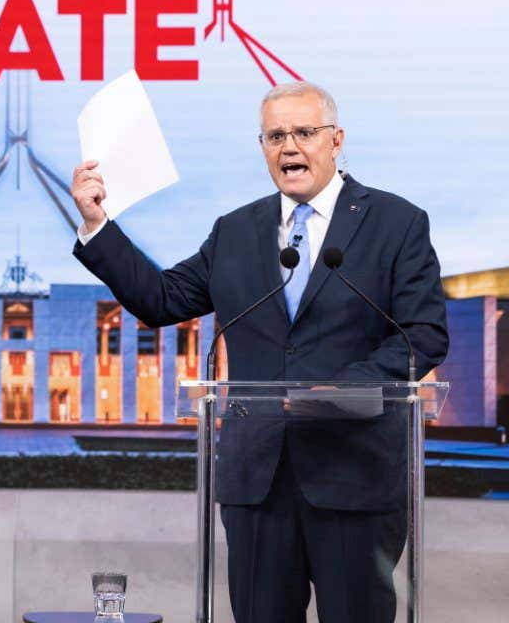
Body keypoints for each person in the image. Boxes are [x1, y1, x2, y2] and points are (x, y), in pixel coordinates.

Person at [69, 82, 448, 623]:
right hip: (258, 483)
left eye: (304, 132)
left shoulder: (396, 223)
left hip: (353, 475)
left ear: (336, 140)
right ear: (263, 147)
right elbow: (161, 299)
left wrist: (341, 391)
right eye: (275, 136)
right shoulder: (236, 232)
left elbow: (423, 334)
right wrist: (96, 224)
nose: (289, 146)